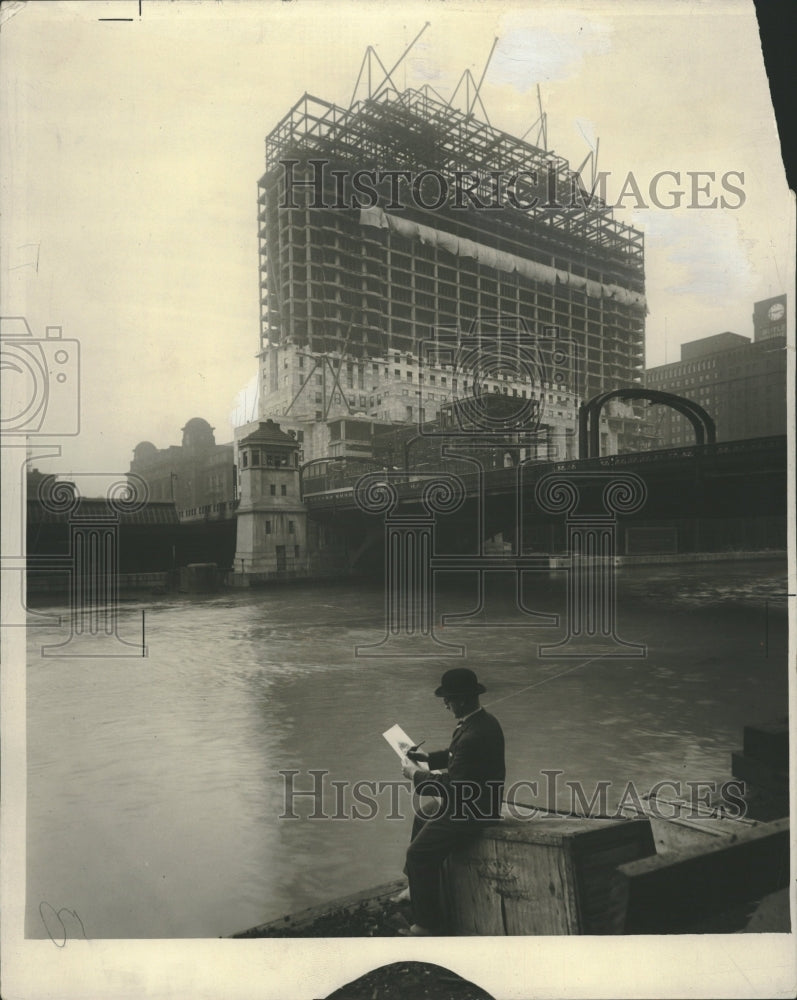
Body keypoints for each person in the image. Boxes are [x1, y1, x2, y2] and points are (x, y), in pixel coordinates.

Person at [397, 667, 505, 936]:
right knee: (423, 815)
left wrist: (415, 774)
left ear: (463, 700)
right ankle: (416, 886)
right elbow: (455, 756)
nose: (445, 704)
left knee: (418, 854)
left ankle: (427, 925)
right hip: (474, 801)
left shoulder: (472, 734)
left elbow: (454, 788)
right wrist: (427, 758)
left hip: (472, 811)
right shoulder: (480, 722)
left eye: (449, 699)